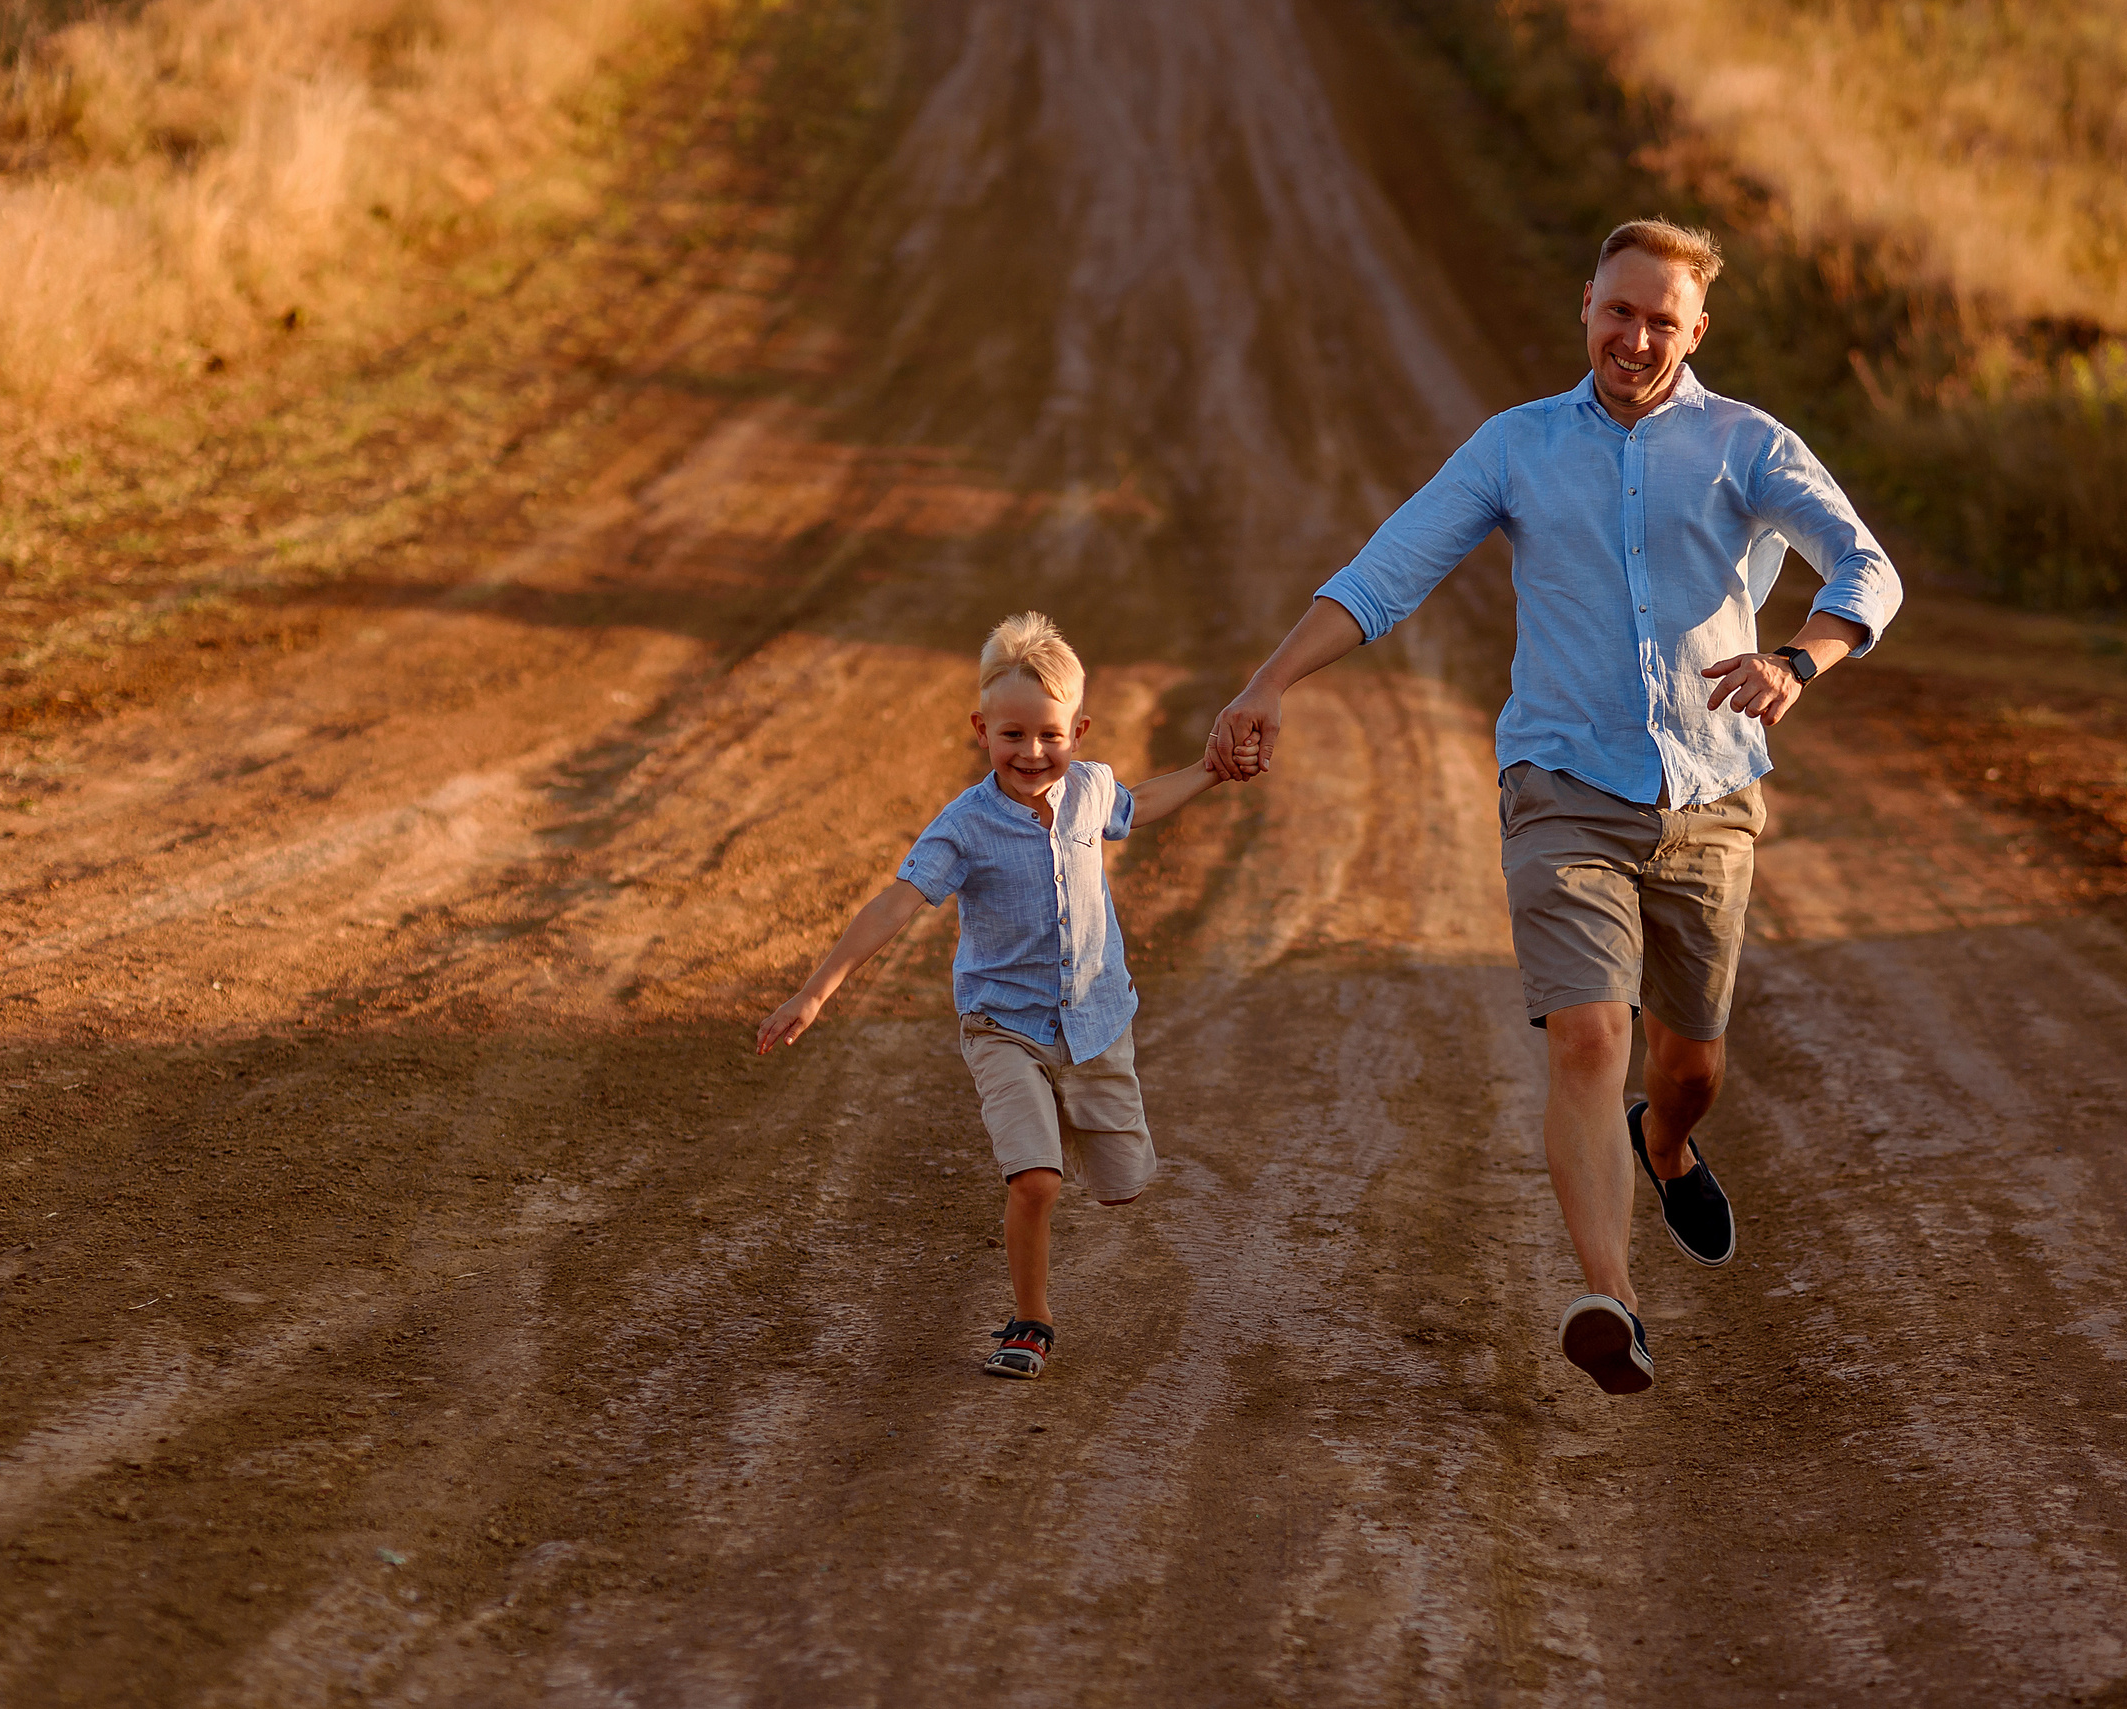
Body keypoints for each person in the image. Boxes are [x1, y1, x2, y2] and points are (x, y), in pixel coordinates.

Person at [1205, 217, 1902, 1396]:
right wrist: (1266, 682)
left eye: (1661, 320)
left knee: (1690, 1063)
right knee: (1588, 1032)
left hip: (1711, 795)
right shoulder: (1515, 446)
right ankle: (1610, 1302)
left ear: (1697, 329)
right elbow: (1386, 571)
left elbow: (1863, 564)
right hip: (1560, 788)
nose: (1635, 338)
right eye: (1617, 312)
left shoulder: (1748, 444)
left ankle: (1667, 1142)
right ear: (1585, 304)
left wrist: (1797, 656)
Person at [757, 612, 1246, 1380]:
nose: (1032, 752)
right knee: (1036, 1180)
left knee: (1123, 1186)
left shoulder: (1090, 791)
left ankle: (1074, 1128)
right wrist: (817, 991)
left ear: (1078, 729)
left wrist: (1213, 771)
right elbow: (895, 903)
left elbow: (1141, 803)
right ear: (981, 729)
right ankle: (1031, 1319)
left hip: (1095, 1023)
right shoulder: (965, 825)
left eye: (1049, 734)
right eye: (1011, 734)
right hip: (1002, 1027)